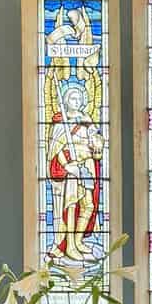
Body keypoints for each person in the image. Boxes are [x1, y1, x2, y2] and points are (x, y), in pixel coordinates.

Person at [45, 78, 104, 260]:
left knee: (88, 205)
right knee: (71, 205)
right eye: (72, 98)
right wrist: (67, 166)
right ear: (65, 101)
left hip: (87, 166)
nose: (76, 102)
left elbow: (97, 141)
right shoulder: (59, 122)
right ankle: (68, 246)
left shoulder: (86, 120)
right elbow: (56, 148)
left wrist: (97, 144)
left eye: (79, 99)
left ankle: (78, 241)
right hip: (71, 169)